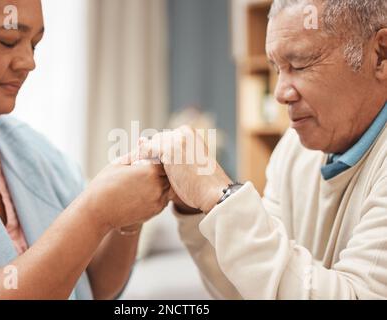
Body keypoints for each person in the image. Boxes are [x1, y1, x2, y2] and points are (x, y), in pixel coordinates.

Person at [136, 0, 387, 299]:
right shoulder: (294, 149)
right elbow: (250, 288)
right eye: (276, 68)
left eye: (300, 64)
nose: (280, 93)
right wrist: (195, 207)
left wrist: (220, 197)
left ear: (380, 54)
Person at [0, 0, 170, 300]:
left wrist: (126, 218)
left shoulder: (30, 151)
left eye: (33, 45)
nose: (28, 62)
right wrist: (95, 213)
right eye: (7, 40)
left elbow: (91, 285)